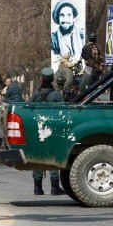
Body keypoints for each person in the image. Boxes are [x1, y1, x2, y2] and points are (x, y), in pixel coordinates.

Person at [30, 68, 66, 196]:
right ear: (52, 79)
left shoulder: (35, 94)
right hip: (52, 129)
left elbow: (30, 110)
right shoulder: (57, 95)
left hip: (38, 129)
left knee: (38, 157)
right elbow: (62, 113)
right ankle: (55, 187)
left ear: (41, 79)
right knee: (53, 157)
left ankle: (37, 187)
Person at [50, 0, 85, 91]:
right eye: (62, 15)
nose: (65, 19)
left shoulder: (80, 35)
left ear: (74, 18)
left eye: (69, 15)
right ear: (58, 18)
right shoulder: (54, 38)